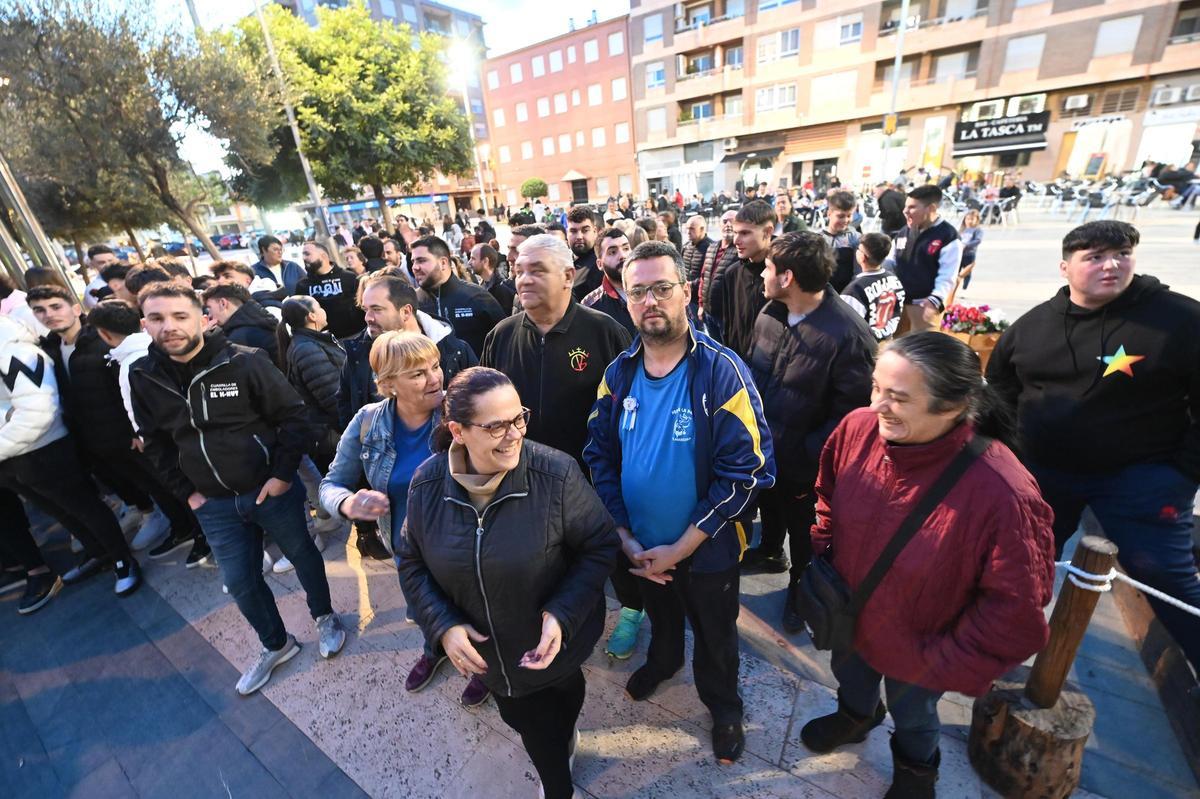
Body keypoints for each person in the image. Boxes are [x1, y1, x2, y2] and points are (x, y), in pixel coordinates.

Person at [801, 333, 1055, 798]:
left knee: (915, 716)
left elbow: (1015, 610)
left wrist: (937, 663)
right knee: (850, 675)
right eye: (876, 388)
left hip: (921, 647)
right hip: (850, 616)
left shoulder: (1003, 493)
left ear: (954, 405)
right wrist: (828, 557)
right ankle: (856, 716)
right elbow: (827, 495)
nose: (878, 406)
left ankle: (918, 772)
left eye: (898, 397)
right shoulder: (858, 428)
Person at [584, 241, 775, 765]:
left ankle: (724, 706)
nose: (651, 301)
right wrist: (624, 535)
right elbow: (597, 453)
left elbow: (750, 472)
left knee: (716, 635)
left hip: (706, 549)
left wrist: (684, 545)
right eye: (638, 291)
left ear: (685, 294)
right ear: (625, 301)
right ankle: (664, 661)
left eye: (662, 288)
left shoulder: (721, 372)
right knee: (662, 618)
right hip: (641, 545)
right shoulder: (618, 374)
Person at [987, 220, 1200, 678]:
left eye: (1122, 253)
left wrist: (1182, 475)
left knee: (1169, 584)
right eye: (1095, 256)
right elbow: (1000, 389)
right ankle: (1001, 650)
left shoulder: (1181, 320)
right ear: (1065, 267)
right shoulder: (1033, 327)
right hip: (1046, 474)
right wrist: (1010, 458)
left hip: (1143, 481)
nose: (1111, 265)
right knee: (1023, 565)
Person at [397, 367, 618, 799]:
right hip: (491, 662)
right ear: (457, 431)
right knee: (526, 723)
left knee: (564, 700)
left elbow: (599, 544)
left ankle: (559, 774)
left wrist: (562, 613)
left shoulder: (556, 474)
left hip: (556, 642)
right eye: (496, 425)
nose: (513, 434)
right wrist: (442, 624)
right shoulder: (426, 484)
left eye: (519, 419)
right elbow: (411, 561)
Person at [130, 281, 346, 695]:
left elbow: (294, 418)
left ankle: (325, 616)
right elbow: (155, 442)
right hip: (212, 505)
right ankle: (276, 645)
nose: (169, 327)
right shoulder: (143, 374)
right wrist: (187, 493)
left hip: (270, 491)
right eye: (157, 318)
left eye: (180, 316)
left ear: (203, 317)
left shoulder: (245, 362)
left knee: (302, 554)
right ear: (144, 324)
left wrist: (282, 476)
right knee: (241, 582)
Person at [739, 231, 875, 632]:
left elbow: (852, 414)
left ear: (788, 277)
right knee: (771, 507)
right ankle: (768, 552)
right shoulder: (771, 312)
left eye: (767, 268)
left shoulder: (847, 335)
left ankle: (801, 584)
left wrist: (804, 453)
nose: (762, 274)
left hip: (803, 463)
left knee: (803, 530)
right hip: (763, 452)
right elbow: (752, 373)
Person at [0, 314, 142, 596]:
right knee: (62, 512)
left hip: (43, 450)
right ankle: (99, 552)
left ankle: (122, 560)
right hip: (15, 455)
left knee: (84, 507)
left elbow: (37, 412)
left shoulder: (16, 351)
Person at [480, 234, 630, 468]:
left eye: (537, 271)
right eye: (519, 272)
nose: (524, 280)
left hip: (589, 481)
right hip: (519, 478)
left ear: (568, 277)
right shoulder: (501, 336)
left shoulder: (605, 332)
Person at [412, 235, 505, 359]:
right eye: (413, 261)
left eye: (421, 260)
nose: (415, 267)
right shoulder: (412, 304)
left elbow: (504, 343)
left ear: (443, 263)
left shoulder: (477, 297)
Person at [887, 185, 961, 335]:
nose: (905, 211)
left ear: (931, 208)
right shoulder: (904, 231)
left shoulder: (947, 236)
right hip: (898, 302)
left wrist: (935, 300)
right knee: (895, 347)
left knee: (920, 351)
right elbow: (892, 261)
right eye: (905, 206)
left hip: (924, 305)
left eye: (912, 207)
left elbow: (948, 275)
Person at [710, 200, 774, 361]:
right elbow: (728, 325)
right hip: (740, 365)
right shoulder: (732, 273)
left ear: (767, 232)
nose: (736, 240)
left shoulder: (782, 275)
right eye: (736, 232)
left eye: (745, 233)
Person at [841, 232, 907, 342]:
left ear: (862, 257)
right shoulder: (894, 280)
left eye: (859, 249)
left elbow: (846, 326)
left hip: (865, 348)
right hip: (887, 341)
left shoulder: (855, 290)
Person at [295, 239, 365, 338]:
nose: (304, 258)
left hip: (355, 335)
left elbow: (362, 305)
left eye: (307, 254)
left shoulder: (348, 277)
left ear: (323, 256)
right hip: (324, 341)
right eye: (303, 254)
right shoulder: (302, 285)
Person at [201, 284, 281, 363]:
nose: (209, 315)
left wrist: (206, 337)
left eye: (209, 309)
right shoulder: (258, 320)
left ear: (223, 303)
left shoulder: (239, 338)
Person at [582, 228, 636, 337]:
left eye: (626, 248)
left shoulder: (651, 289)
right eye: (612, 252)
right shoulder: (591, 307)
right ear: (599, 264)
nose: (622, 256)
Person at [696, 209, 739, 341]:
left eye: (732, 221)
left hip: (727, 316)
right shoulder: (712, 247)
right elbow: (704, 277)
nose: (728, 224)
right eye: (725, 221)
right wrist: (701, 305)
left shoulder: (740, 251)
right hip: (709, 312)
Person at [819, 190, 862, 292]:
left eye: (849, 216)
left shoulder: (855, 238)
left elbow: (859, 272)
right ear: (829, 213)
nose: (845, 220)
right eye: (840, 216)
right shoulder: (818, 239)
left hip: (848, 291)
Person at [566, 207, 603, 302]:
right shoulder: (563, 261)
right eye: (573, 231)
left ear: (595, 231)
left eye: (585, 230)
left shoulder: (601, 266)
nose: (579, 237)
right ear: (567, 233)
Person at [469, 243, 516, 312]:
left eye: (473, 258)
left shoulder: (502, 290)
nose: (469, 262)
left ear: (485, 261)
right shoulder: (482, 286)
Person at [680, 215, 712, 309]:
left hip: (702, 298)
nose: (688, 232)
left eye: (692, 229)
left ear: (702, 229)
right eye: (687, 229)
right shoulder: (686, 246)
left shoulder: (711, 248)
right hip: (687, 295)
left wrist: (692, 284)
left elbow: (710, 274)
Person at [82, 244, 122, 309]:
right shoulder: (93, 288)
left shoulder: (129, 277)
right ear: (92, 265)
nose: (108, 265)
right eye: (101, 263)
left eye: (110, 260)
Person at [957, 209, 984, 291]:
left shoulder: (977, 230)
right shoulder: (962, 229)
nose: (969, 221)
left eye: (972, 219)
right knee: (956, 270)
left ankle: (964, 288)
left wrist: (966, 245)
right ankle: (954, 286)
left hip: (970, 254)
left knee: (967, 272)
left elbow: (978, 240)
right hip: (960, 253)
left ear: (977, 220)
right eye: (967, 219)